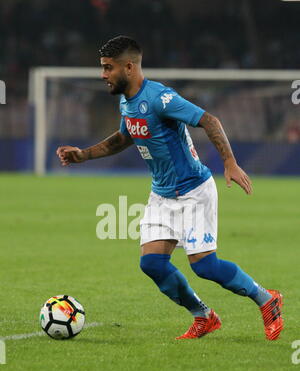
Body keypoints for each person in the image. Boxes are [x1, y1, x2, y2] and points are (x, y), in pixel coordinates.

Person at [57, 36, 283, 341]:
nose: (103, 75)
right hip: (162, 195)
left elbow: (210, 120)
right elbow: (125, 137)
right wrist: (83, 155)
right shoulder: (127, 100)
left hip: (194, 192)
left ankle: (266, 299)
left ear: (129, 66)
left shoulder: (161, 98)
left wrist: (229, 163)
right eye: (102, 68)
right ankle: (204, 316)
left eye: (108, 68)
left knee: (205, 267)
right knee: (152, 263)